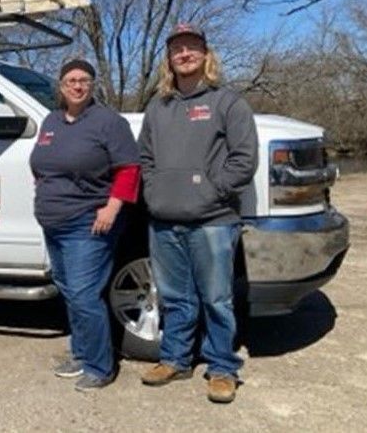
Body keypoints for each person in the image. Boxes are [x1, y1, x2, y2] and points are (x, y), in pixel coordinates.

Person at [138, 23, 258, 404]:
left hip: (213, 221)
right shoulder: (158, 106)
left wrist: (211, 191)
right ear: (169, 60)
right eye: (177, 50)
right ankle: (176, 359)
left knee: (216, 299)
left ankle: (222, 367)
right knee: (174, 298)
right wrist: (155, 192)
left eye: (192, 48)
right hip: (164, 220)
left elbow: (244, 159)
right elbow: (145, 158)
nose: (185, 54)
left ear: (205, 55)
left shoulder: (227, 102)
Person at [29, 58, 140, 391]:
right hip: (53, 223)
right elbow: (40, 165)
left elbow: (129, 168)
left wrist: (112, 207)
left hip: (87, 223)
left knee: (83, 293)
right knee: (68, 291)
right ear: (61, 87)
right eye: (70, 81)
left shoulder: (108, 122)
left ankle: (99, 366)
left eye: (84, 81)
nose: (77, 86)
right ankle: (81, 353)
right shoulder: (50, 122)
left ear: (92, 86)